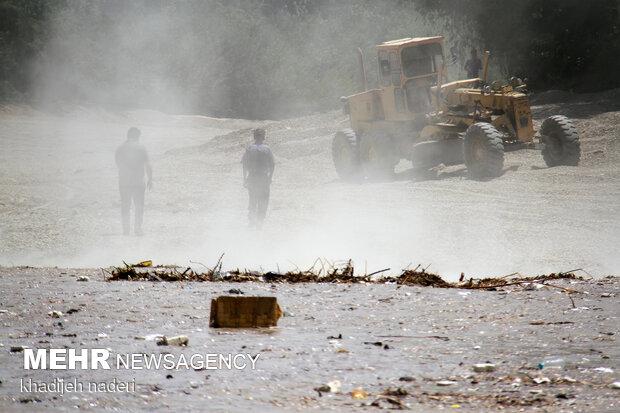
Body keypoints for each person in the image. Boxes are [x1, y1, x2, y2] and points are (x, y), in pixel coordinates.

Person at [115, 127, 152, 236]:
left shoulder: (120, 148)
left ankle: (126, 230)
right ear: (137, 136)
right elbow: (148, 164)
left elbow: (118, 164)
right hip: (138, 182)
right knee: (139, 206)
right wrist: (150, 178)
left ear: (128, 135)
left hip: (124, 181)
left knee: (125, 205)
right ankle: (138, 229)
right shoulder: (141, 148)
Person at [242, 128, 275, 227]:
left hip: (252, 177)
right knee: (263, 199)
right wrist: (270, 178)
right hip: (264, 178)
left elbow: (244, 164)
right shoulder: (267, 149)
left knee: (252, 199)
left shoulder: (249, 148)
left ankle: (252, 221)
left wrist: (244, 179)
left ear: (254, 137)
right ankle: (260, 221)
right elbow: (273, 165)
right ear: (263, 137)